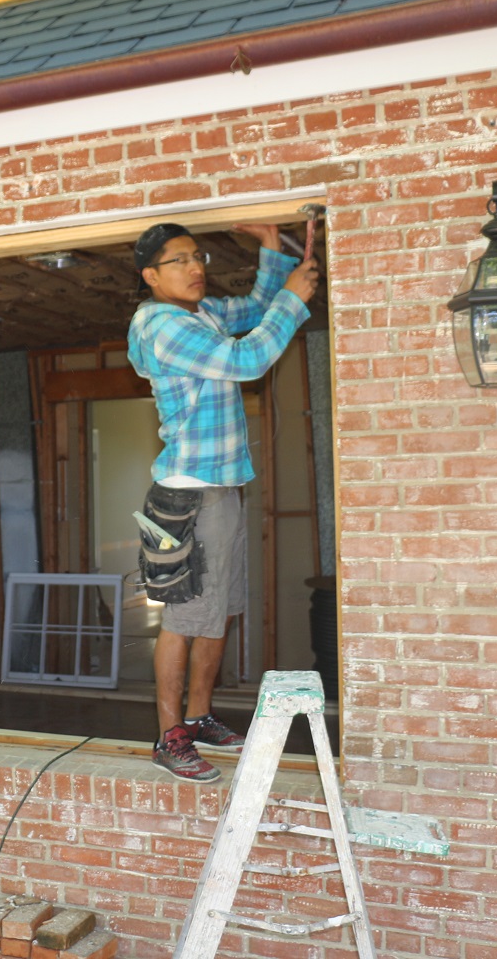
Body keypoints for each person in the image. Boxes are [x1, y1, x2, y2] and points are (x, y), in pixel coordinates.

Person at [126, 221, 318, 782]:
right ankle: (170, 737)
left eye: (196, 256)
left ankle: (200, 716)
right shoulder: (160, 325)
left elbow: (257, 309)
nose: (195, 267)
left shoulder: (199, 314)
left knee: (217, 614)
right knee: (186, 619)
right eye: (179, 260)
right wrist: (292, 300)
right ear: (150, 276)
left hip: (220, 489)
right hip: (189, 495)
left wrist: (268, 247)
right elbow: (245, 361)